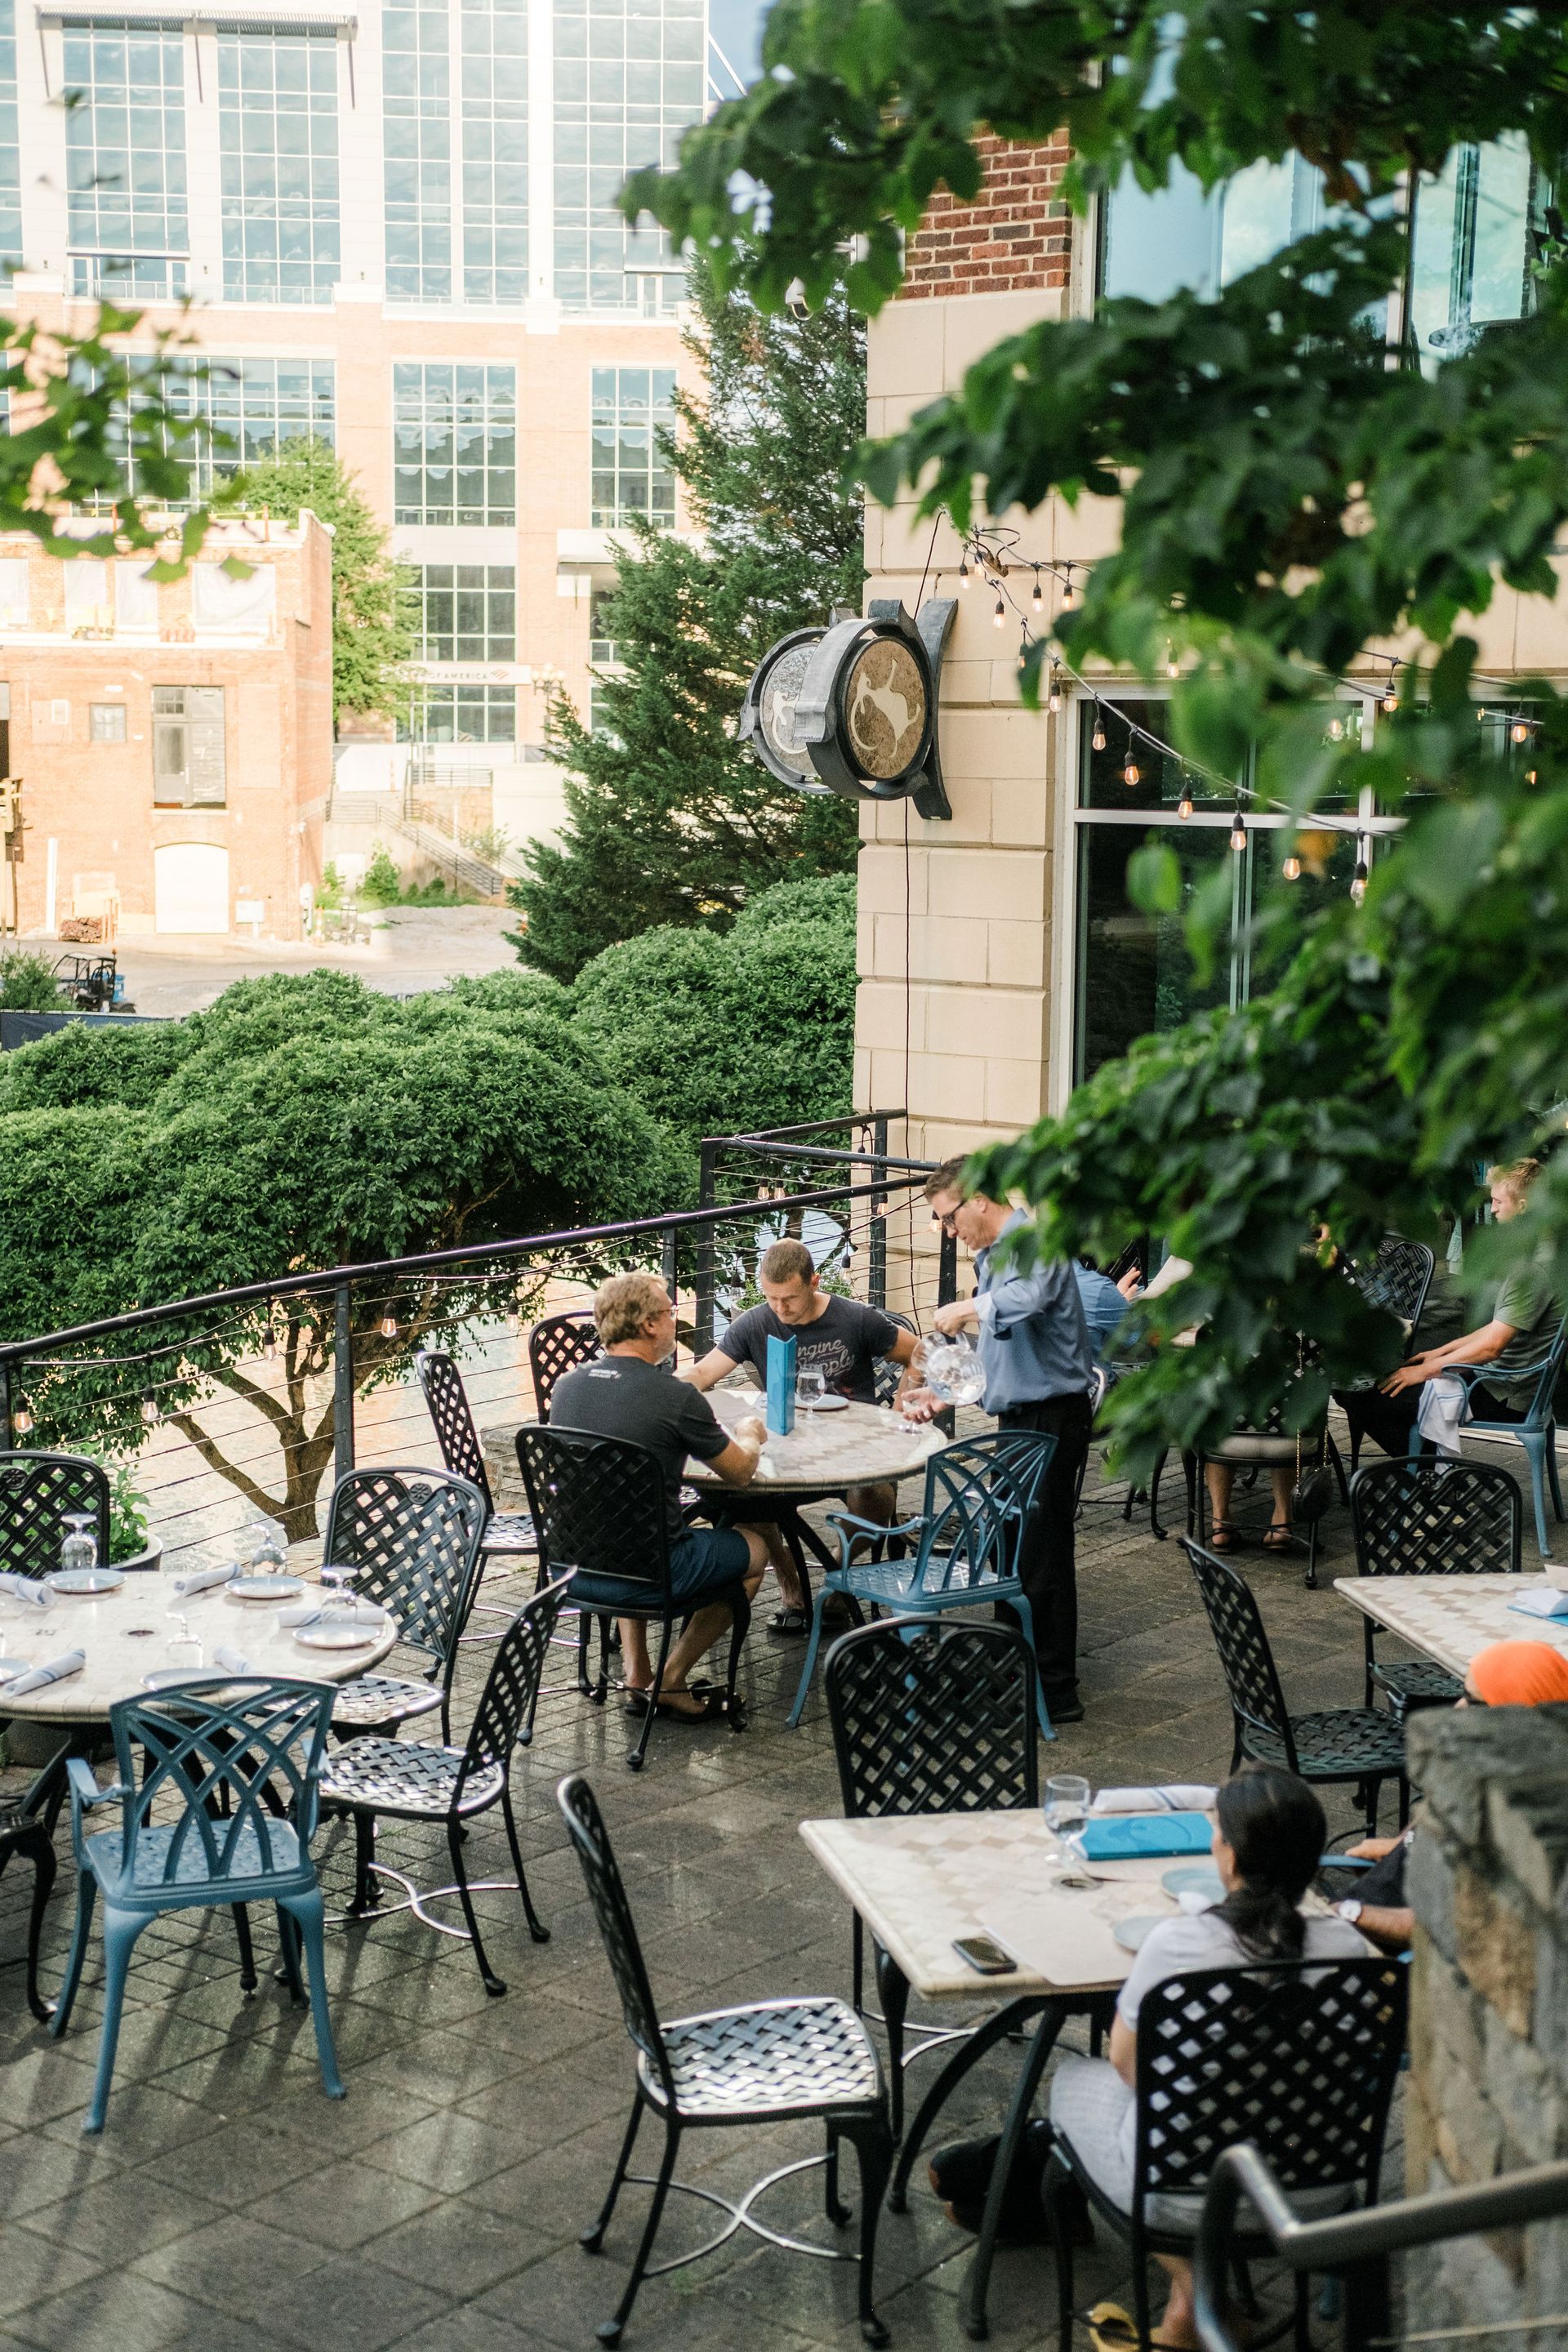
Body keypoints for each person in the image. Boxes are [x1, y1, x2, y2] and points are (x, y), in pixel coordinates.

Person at [1048, 1766, 1371, 2352]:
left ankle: (1199, 2297)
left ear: (1229, 1856)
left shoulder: (1179, 1943)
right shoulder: (1349, 1949)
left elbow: (1126, 2064)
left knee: (1075, 2079)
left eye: (1218, 1832)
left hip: (1182, 2195)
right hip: (1316, 2193)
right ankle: (1193, 2313)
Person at [904, 1159, 1095, 1725]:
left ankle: (1055, 1691)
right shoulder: (990, 1256)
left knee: (1042, 1555)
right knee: (1012, 1549)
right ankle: (1016, 1673)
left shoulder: (1034, 1242)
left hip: (1051, 1418)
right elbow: (1000, 1350)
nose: (948, 1230)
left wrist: (967, 1307)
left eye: (948, 1217)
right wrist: (944, 1396)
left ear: (979, 1201)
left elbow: (1029, 1300)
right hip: (1020, 1420)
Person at [548, 1272, 772, 1723]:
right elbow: (741, 1473)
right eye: (670, 1312)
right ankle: (671, 1680)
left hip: (571, 1570)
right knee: (756, 1546)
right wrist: (749, 1434)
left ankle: (637, 1674)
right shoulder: (675, 1396)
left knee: (628, 1517)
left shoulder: (566, 1388)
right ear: (650, 1325)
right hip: (654, 1574)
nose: (675, 1319)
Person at [683, 1237, 924, 1633]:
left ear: (815, 1281)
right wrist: (672, 1387)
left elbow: (919, 1354)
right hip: (783, 1448)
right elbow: (704, 1373)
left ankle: (834, 1568)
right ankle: (791, 1582)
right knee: (746, 1498)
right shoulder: (755, 1322)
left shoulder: (855, 1318)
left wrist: (899, 1411)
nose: (781, 1309)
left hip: (852, 1447)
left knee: (878, 1498)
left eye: (790, 1298)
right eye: (772, 1299)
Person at [1338, 1638, 1568, 1949]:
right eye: (1461, 1693)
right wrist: (1398, 1843)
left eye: (1472, 1701)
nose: (1457, 1709)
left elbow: (1440, 1927)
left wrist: (1346, 1913)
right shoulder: (1495, 1772)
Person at [1337, 1160, 1561, 1459]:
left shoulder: (1530, 1266)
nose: (1492, 1209)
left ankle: (1434, 1479)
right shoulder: (1548, 1253)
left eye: (1497, 1201)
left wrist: (1425, 1372)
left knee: (1363, 1395)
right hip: (1511, 1384)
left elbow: (1493, 1347)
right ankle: (1430, 1473)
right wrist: (1439, 1355)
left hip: (1500, 1391)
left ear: (1522, 1206)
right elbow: (1497, 1328)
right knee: (1386, 1384)